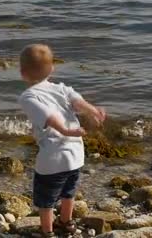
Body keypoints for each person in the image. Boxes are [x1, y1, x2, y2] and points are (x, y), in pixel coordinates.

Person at [18, 44, 106, 237]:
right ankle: (66, 223)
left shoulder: (28, 97)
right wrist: (93, 110)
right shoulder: (63, 89)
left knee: (46, 198)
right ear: (52, 69)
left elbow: (48, 116)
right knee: (68, 191)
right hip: (76, 154)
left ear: (23, 73)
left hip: (53, 156)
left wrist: (65, 130)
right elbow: (78, 103)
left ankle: (47, 231)